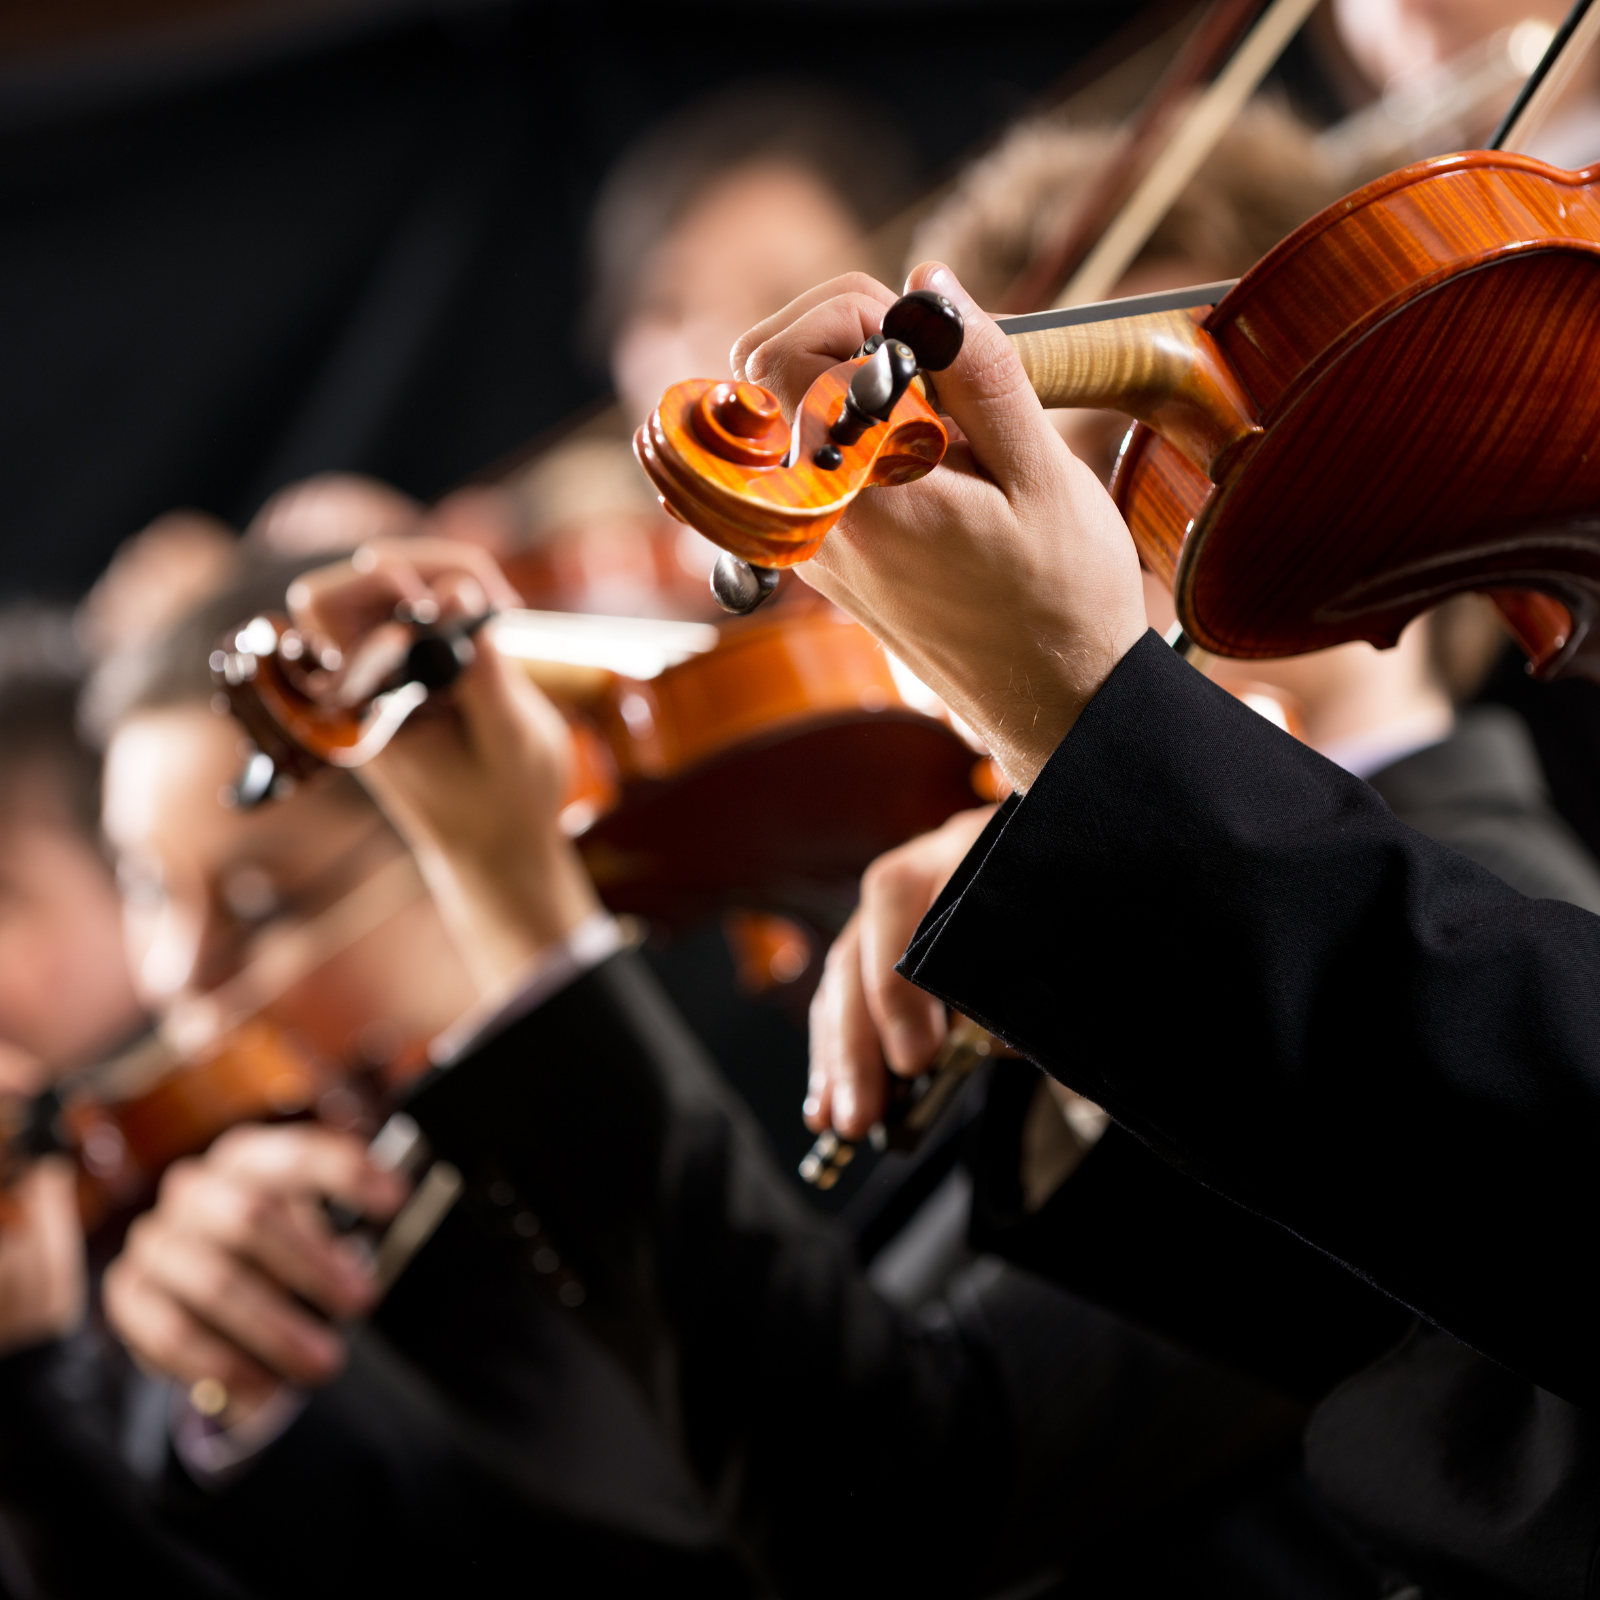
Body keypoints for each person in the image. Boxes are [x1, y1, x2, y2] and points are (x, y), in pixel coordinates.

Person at [722, 255, 1600, 1592]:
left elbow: (917, 1478)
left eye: (1091, 482)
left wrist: (1105, 767)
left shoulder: (1489, 885)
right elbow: (1412, 1339)